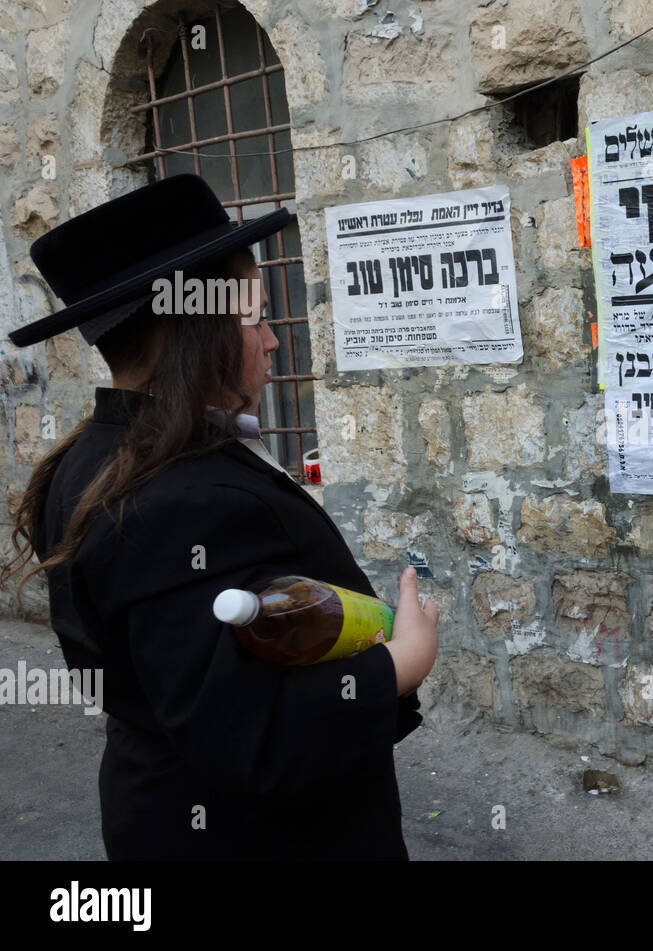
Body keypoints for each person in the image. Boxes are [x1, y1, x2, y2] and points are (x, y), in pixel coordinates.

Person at [1, 174, 439, 860]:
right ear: (196, 331)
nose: (271, 340)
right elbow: (256, 732)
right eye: (255, 316)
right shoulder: (178, 502)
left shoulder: (98, 460)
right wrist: (404, 661)